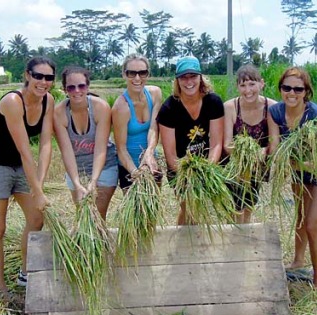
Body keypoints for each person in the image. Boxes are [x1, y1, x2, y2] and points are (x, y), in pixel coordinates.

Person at [0, 56, 55, 296]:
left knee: (36, 218)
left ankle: (24, 273)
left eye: (49, 78)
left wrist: (38, 185)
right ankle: (1, 291)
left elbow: (45, 145)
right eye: (38, 76)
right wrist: (38, 192)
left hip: (19, 166)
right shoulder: (13, 101)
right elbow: (24, 150)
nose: (43, 82)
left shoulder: (48, 101)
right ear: (27, 75)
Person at [267, 67, 317, 287]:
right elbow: (275, 146)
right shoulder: (275, 112)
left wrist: (292, 162)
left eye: (298, 89)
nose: (292, 93)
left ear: (306, 91)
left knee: (313, 225)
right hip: (299, 174)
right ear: (280, 89)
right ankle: (298, 261)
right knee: (300, 217)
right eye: (287, 87)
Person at [157, 56, 225, 225]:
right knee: (189, 208)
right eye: (183, 77)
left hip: (206, 164)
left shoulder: (213, 102)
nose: (189, 82)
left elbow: (216, 143)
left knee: (197, 209)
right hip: (179, 168)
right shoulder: (169, 109)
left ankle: (192, 245)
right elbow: (171, 155)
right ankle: (184, 246)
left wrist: (206, 170)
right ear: (177, 80)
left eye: (193, 76)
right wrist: (187, 174)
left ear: (200, 77)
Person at [53, 66, 118, 219]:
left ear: (88, 86)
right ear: (64, 89)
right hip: (76, 169)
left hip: (104, 167)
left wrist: (94, 181)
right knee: (83, 216)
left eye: (81, 86)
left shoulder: (100, 107)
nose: (77, 91)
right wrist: (77, 183)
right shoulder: (58, 113)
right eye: (71, 87)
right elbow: (67, 152)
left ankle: (102, 243)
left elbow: (101, 149)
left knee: (98, 216)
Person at [223, 64, 276, 223]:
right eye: (243, 85)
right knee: (235, 208)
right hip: (235, 166)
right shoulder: (230, 107)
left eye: (252, 84)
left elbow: (274, 142)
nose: (248, 90)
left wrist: (263, 152)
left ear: (261, 83)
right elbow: (227, 144)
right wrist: (245, 154)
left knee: (249, 204)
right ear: (237, 86)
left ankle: (243, 239)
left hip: (258, 165)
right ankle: (235, 240)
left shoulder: (271, 107)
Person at [111, 54, 163, 190]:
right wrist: (137, 173)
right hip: (129, 167)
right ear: (124, 75)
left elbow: (153, 128)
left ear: (148, 74)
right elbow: (121, 149)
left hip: (152, 163)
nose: (137, 78)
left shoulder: (155, 94)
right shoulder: (121, 107)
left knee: (154, 208)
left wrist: (149, 153)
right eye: (131, 73)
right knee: (135, 209)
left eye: (142, 73)